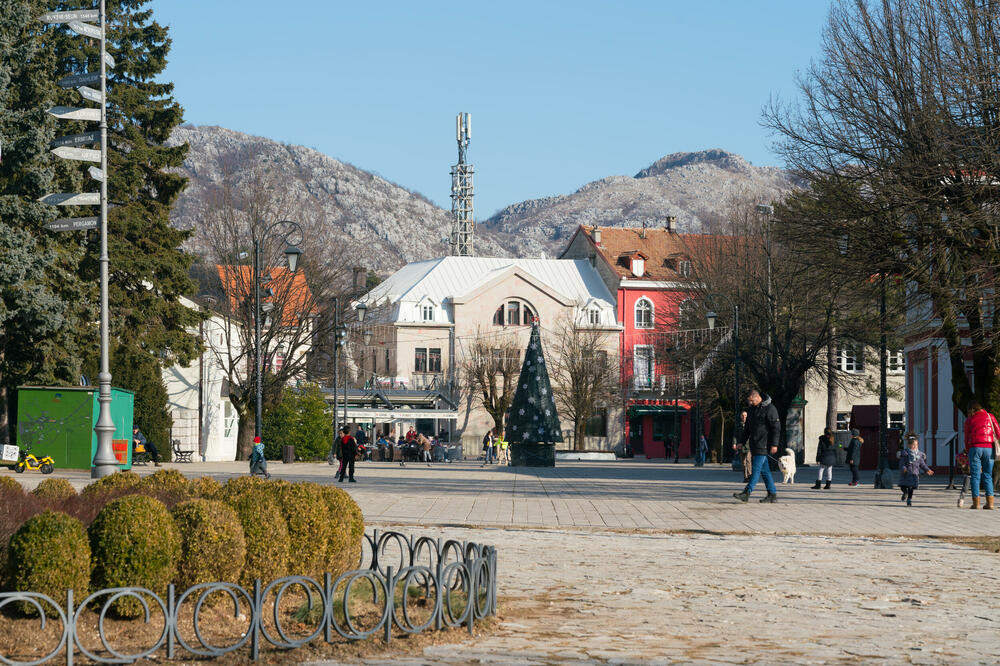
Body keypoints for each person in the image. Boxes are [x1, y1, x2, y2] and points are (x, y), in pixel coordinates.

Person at [733, 390, 780, 503]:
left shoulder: (770, 408)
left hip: (764, 444)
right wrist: (741, 442)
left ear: (758, 397)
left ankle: (746, 493)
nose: (750, 403)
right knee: (765, 471)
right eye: (749, 401)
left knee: (755, 470)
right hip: (754, 444)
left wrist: (774, 444)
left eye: (752, 401)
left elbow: (776, 427)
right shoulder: (752, 409)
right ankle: (772, 494)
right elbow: (747, 429)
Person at [962, 401, 998, 510]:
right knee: (988, 474)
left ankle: (976, 503)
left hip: (975, 448)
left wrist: (968, 449)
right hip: (989, 448)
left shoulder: (969, 420)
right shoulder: (990, 416)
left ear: (972, 409)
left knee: (975, 475)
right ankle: (990, 503)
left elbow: (966, 437)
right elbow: (998, 432)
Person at [898, 435, 933, 506]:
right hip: (906, 474)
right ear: (909, 445)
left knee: (911, 488)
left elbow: (922, 464)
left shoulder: (919, 455)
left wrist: (927, 470)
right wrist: (903, 468)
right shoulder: (905, 454)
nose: (915, 446)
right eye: (913, 445)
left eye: (916, 445)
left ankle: (909, 499)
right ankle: (905, 493)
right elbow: (902, 463)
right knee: (902, 486)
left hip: (914, 474)